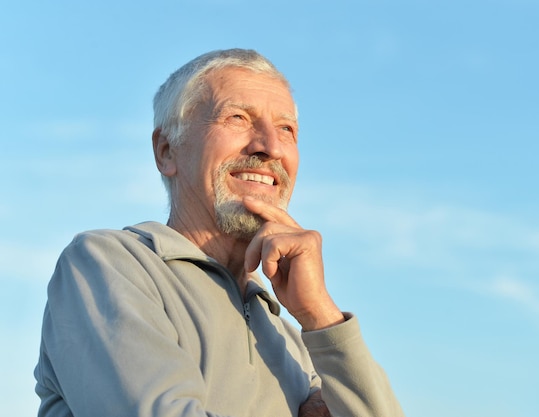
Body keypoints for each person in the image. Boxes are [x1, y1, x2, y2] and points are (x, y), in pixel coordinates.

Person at [34, 48, 404, 417]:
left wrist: (319, 314)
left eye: (286, 129)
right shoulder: (109, 265)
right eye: (238, 117)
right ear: (166, 151)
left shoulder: (296, 343)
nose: (270, 146)